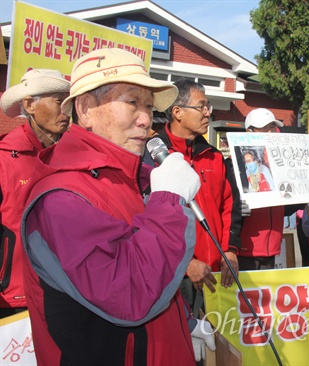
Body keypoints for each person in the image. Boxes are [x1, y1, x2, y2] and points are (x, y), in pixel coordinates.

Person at [20, 48, 204, 364]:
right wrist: (169, 201)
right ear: (87, 108)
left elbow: (150, 262)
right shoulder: (60, 199)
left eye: (148, 105)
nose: (146, 120)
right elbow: (129, 293)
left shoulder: (131, 177)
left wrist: (185, 321)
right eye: (132, 102)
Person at [146, 79, 241, 316]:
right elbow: (147, 222)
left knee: (218, 345)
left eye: (208, 106)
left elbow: (230, 205)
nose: (208, 113)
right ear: (177, 112)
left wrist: (229, 250)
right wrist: (186, 264)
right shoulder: (153, 159)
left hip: (218, 273)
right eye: (201, 107)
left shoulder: (215, 157)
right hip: (176, 278)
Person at [0, 69, 70, 318]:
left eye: (69, 101)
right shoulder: (4, 159)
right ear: (30, 105)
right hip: (13, 297)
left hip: (67, 291)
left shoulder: (74, 156)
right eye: (58, 101)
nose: (66, 110)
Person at [238, 108, 288, 270]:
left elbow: (287, 206)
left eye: (272, 128)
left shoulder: (275, 167)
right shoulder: (234, 165)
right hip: (246, 249)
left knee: (265, 296)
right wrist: (237, 209)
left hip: (272, 247)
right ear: (249, 131)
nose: (270, 132)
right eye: (264, 128)